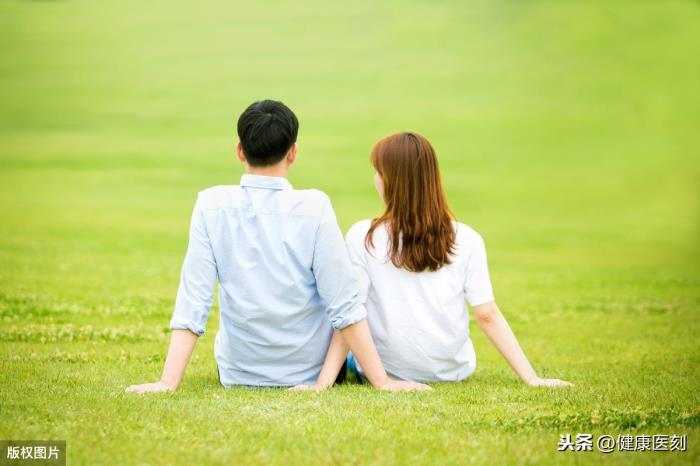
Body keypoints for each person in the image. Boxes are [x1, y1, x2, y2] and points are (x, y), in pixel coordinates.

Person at [125, 101, 431, 393]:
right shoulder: (315, 206)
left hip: (239, 374)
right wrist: (382, 382)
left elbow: (194, 300)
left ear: (239, 151)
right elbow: (344, 303)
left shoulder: (210, 204)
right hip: (310, 372)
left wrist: (167, 382)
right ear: (293, 152)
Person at [295, 132, 573, 389]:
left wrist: (322, 384)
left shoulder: (363, 236)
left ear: (390, 180)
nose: (375, 178)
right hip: (452, 371)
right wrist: (532, 378)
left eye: (378, 172)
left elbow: (353, 312)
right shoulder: (468, 238)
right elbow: (487, 315)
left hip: (384, 370)